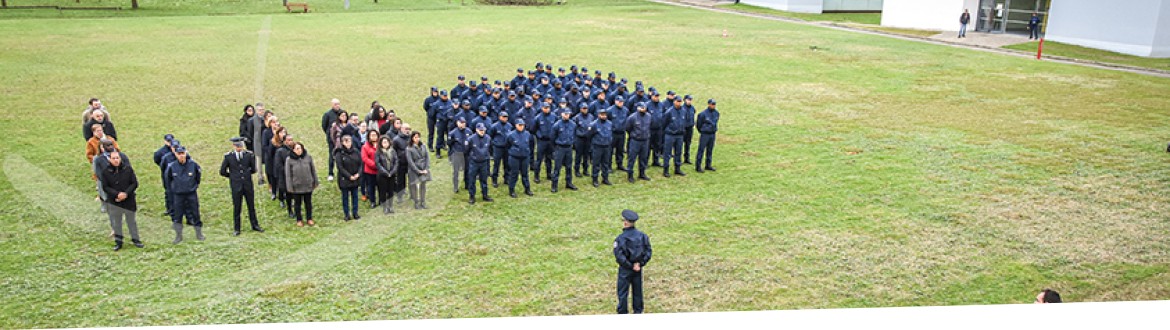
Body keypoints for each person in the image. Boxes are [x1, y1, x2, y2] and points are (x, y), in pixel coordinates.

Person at [219, 137, 264, 236]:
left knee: (251, 205)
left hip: (247, 184)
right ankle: (237, 228)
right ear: (234, 146)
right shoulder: (228, 157)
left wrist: (246, 175)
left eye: (241, 146)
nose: (239, 148)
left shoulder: (248, 155)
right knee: (237, 207)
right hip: (236, 185)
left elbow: (253, 169)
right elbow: (222, 171)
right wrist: (232, 177)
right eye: (237, 146)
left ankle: (255, 225)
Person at [99, 151, 143, 251]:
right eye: (113, 158)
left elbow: (134, 183)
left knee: (131, 221)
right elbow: (105, 187)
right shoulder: (105, 172)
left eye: (117, 158)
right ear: (109, 159)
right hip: (115, 201)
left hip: (129, 200)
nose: (116, 160)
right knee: (117, 223)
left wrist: (125, 193)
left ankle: (136, 239)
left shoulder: (128, 169)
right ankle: (119, 242)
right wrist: (117, 194)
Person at [613, 209, 652, 314]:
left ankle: (623, 312)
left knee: (622, 292)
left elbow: (619, 256)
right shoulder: (643, 236)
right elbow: (648, 251)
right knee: (637, 291)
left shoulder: (620, 239)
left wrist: (629, 265)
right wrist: (640, 264)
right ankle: (638, 311)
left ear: (625, 222)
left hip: (625, 269)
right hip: (638, 268)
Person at [164, 146, 203, 244]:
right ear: (176, 155)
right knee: (178, 216)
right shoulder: (171, 166)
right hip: (178, 195)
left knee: (195, 214)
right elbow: (168, 180)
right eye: (179, 154)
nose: (181, 156)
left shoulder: (193, 165)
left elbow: (198, 178)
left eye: (182, 153)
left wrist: (194, 186)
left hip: (191, 193)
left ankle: (199, 234)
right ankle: (178, 236)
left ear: (185, 153)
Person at [285, 142, 319, 227]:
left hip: (307, 184)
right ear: (293, 150)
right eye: (296, 149)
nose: (299, 150)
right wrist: (289, 187)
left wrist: (315, 181)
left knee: (308, 203)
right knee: (297, 204)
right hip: (297, 186)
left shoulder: (308, 157)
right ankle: (299, 219)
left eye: (300, 148)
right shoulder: (289, 160)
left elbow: (313, 170)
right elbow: (288, 174)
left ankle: (309, 218)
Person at [334, 135, 363, 221]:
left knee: (355, 196)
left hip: (355, 177)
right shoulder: (339, 153)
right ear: (342, 143)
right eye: (346, 141)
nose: (348, 143)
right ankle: (346, 214)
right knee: (345, 197)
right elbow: (340, 167)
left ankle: (355, 213)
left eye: (349, 141)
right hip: (345, 179)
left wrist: (358, 174)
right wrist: (349, 176)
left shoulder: (356, 151)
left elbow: (361, 164)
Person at [505, 119, 534, 198]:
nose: (521, 127)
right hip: (514, 157)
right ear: (516, 125)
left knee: (525, 174)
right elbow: (507, 145)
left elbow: (531, 144)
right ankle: (511, 190)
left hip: (525, 157)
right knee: (514, 174)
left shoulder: (527, 134)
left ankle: (527, 189)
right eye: (519, 125)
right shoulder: (511, 135)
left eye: (523, 125)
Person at [551, 109, 578, 192]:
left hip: (569, 148)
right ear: (562, 114)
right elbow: (552, 138)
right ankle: (554, 185)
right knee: (557, 167)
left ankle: (569, 183)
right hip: (560, 148)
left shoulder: (573, 124)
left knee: (569, 167)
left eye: (568, 114)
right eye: (565, 114)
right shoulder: (557, 125)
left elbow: (574, 135)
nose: (567, 115)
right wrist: (556, 148)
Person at [466, 123, 494, 204]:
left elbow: (490, 149)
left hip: (484, 162)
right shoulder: (471, 139)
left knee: (484, 180)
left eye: (483, 130)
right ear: (476, 130)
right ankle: (472, 196)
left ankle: (485, 195)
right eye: (480, 130)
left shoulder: (488, 138)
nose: (482, 132)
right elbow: (467, 150)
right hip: (474, 162)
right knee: (472, 180)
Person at [625, 102, 652, 183]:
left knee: (643, 158)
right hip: (635, 140)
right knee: (632, 158)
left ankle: (642, 173)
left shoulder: (649, 116)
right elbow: (628, 128)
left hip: (645, 140)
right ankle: (630, 175)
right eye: (641, 108)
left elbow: (649, 126)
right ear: (638, 108)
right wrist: (634, 135)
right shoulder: (632, 117)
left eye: (644, 108)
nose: (643, 109)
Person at [589, 108, 616, 187]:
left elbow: (611, 133)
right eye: (602, 114)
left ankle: (605, 178)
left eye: (605, 114)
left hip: (607, 146)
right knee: (596, 164)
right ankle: (595, 179)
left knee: (605, 163)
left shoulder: (610, 123)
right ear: (598, 115)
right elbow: (589, 135)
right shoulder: (593, 124)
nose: (604, 116)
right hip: (597, 146)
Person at [531, 102, 557, 183]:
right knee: (539, 159)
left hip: (550, 141)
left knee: (549, 158)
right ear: (542, 108)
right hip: (541, 141)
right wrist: (540, 135)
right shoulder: (538, 118)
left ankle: (549, 174)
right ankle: (536, 176)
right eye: (545, 108)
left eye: (548, 107)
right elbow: (533, 129)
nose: (547, 109)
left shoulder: (554, 116)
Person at [405, 131, 432, 209]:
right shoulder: (409, 148)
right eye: (415, 137)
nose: (417, 139)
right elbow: (410, 162)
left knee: (423, 185)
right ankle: (416, 202)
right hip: (414, 169)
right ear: (412, 138)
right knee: (414, 186)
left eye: (418, 137)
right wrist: (418, 170)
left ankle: (423, 201)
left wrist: (426, 168)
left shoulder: (423, 146)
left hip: (423, 167)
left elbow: (427, 157)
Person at [662, 97, 688, 177]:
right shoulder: (669, 112)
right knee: (667, 153)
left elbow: (685, 121)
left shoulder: (683, 111)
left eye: (680, 102)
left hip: (679, 135)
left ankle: (677, 168)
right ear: (674, 102)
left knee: (678, 152)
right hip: (670, 135)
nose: (679, 103)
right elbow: (664, 123)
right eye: (677, 101)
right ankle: (666, 169)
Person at [321, 99, 344, 181]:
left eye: (338, 104)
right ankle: (330, 173)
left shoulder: (342, 113)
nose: (337, 105)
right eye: (335, 104)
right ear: (332, 105)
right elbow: (324, 126)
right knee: (331, 155)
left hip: (341, 139)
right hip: (331, 139)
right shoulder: (327, 114)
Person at [153, 134, 176, 216]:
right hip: (166, 174)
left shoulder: (177, 148)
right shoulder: (160, 152)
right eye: (168, 141)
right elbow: (157, 160)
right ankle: (170, 209)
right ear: (165, 141)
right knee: (168, 191)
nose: (170, 143)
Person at [375, 135, 399, 214]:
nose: (385, 144)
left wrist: (392, 172)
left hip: (391, 174)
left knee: (391, 191)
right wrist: (385, 172)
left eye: (386, 142)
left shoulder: (393, 151)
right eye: (383, 142)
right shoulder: (378, 152)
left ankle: (390, 206)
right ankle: (385, 207)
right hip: (382, 175)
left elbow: (396, 161)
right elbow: (378, 164)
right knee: (383, 191)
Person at [447, 117, 472, 193]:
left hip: (466, 154)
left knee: (467, 170)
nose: (462, 124)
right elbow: (449, 144)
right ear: (457, 123)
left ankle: (467, 185)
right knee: (456, 171)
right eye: (461, 123)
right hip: (457, 154)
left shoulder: (469, 131)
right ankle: (455, 186)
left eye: (464, 123)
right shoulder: (452, 133)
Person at [695, 99, 720, 173]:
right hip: (705, 134)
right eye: (712, 104)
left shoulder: (716, 113)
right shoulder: (703, 114)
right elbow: (698, 124)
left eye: (714, 104)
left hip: (712, 134)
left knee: (710, 150)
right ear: (708, 104)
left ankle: (708, 165)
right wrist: (702, 130)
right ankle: (698, 166)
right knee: (701, 150)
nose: (713, 106)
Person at [273, 133, 295, 218]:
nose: (291, 142)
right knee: (288, 194)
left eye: (292, 140)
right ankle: (290, 210)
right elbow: (278, 165)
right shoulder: (280, 151)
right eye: (289, 140)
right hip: (285, 176)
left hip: (295, 175)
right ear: (285, 141)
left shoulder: (294, 149)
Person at [489, 112, 513, 188]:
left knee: (507, 164)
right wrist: (495, 143)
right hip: (498, 148)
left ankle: (507, 178)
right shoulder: (494, 126)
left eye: (506, 117)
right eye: (503, 117)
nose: (505, 118)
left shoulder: (509, 126)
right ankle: (494, 179)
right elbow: (490, 136)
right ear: (499, 117)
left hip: (507, 148)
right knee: (496, 164)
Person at [573, 104, 595, 178]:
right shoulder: (576, 118)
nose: (585, 110)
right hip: (579, 139)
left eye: (586, 108)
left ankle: (585, 170)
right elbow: (573, 128)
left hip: (588, 139)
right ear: (580, 109)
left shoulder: (591, 117)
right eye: (583, 108)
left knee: (586, 155)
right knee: (578, 155)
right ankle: (577, 170)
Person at [393, 122, 412, 206]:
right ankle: (400, 197)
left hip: (410, 163)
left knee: (412, 179)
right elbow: (394, 152)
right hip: (401, 163)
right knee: (400, 181)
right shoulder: (396, 139)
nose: (407, 131)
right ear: (401, 129)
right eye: (406, 129)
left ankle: (413, 194)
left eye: (409, 129)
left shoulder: (411, 138)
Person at [608, 98, 630, 172]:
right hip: (613, 133)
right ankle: (609, 166)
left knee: (620, 150)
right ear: (615, 101)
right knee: (610, 150)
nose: (621, 103)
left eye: (622, 102)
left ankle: (619, 164)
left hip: (622, 133)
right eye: (619, 102)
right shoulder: (610, 110)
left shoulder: (625, 110)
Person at [362, 130, 381, 209]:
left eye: (375, 135)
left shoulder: (381, 145)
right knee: (371, 187)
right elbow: (365, 158)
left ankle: (381, 200)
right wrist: (374, 165)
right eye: (372, 135)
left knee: (381, 186)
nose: (374, 137)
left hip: (380, 170)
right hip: (370, 171)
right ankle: (372, 201)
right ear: (369, 136)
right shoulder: (365, 146)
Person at [251, 103, 269, 185]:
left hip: (266, 143)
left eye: (262, 110)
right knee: (259, 161)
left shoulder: (266, 119)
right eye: (260, 110)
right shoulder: (253, 120)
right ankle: (260, 178)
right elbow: (251, 133)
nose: (261, 111)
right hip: (258, 143)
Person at [680, 96, 697, 165]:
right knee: (680, 144)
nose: (689, 101)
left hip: (690, 128)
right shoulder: (682, 108)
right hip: (683, 128)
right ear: (684, 100)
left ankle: (687, 158)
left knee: (688, 144)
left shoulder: (692, 108)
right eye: (688, 100)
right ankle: (679, 159)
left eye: (690, 100)